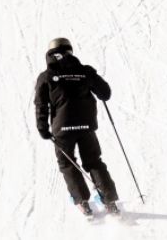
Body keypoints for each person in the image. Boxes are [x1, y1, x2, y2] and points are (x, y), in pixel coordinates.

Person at [34, 37, 122, 219]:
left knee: (67, 163)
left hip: (62, 129)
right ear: (70, 51)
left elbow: (41, 104)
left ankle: (82, 201)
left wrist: (43, 127)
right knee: (94, 161)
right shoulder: (85, 71)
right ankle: (110, 201)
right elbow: (105, 93)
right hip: (86, 126)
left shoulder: (46, 77)